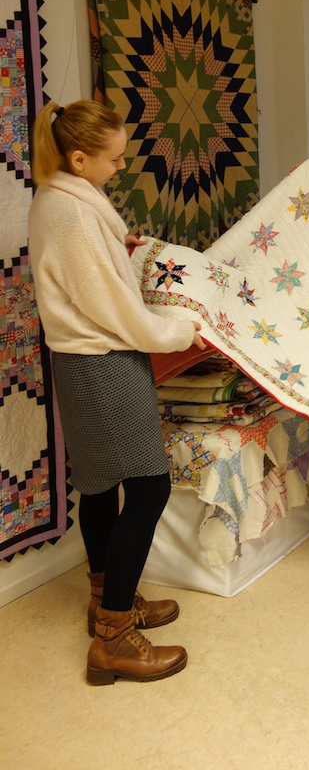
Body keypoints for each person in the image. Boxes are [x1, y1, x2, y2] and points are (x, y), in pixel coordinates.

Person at [28, 100, 206, 684]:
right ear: (79, 159)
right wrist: (176, 331)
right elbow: (114, 309)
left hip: (80, 360)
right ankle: (113, 641)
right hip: (100, 362)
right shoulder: (74, 215)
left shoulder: (62, 200)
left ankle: (111, 601)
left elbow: (95, 283)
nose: (119, 168)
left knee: (101, 486)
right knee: (150, 488)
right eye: (113, 159)